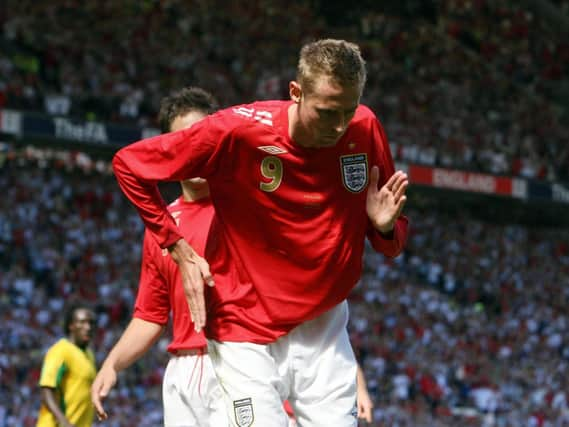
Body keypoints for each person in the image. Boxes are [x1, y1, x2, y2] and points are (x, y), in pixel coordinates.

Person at [112, 38, 408, 426]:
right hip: (244, 323)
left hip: (323, 325)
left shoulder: (365, 128)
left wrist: (383, 226)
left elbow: (392, 241)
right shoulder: (237, 130)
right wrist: (178, 248)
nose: (338, 126)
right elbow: (129, 165)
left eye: (347, 111)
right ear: (296, 93)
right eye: (326, 112)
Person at [90, 87, 227, 426]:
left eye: (201, 138)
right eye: (183, 143)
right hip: (180, 372)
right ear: (169, 152)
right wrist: (112, 363)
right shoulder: (161, 228)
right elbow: (151, 316)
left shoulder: (247, 208)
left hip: (237, 360)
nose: (194, 151)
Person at [37, 303, 96, 427]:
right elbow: (46, 390)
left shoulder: (89, 355)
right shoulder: (60, 350)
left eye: (91, 323)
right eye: (82, 322)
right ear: (71, 326)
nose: (88, 327)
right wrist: (63, 421)